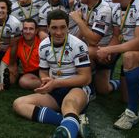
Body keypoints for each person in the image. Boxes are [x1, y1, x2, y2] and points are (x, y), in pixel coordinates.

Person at [13, 9, 91, 138]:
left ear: (68, 27)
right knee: (19, 104)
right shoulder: (44, 45)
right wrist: (45, 81)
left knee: (68, 104)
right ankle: (72, 121)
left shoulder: (78, 45)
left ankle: (68, 124)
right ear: (48, 28)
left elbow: (86, 78)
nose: (59, 32)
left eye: (62, 27)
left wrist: (56, 83)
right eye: (54, 28)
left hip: (76, 88)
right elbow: (43, 71)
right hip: (55, 89)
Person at [96, 0, 139, 130]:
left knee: (128, 57)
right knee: (125, 97)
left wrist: (110, 49)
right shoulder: (115, 8)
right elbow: (116, 35)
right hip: (129, 50)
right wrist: (110, 52)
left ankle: (132, 113)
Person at [69, 0, 113, 98]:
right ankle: (90, 83)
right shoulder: (86, 3)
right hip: (91, 47)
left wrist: (78, 20)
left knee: (84, 53)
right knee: (102, 89)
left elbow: (94, 40)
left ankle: (88, 87)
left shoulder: (104, 10)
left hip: (103, 50)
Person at [0, 18, 42, 91]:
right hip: (27, 73)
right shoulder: (17, 42)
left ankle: (49, 85)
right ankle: (45, 84)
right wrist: (2, 83)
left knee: (23, 82)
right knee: (9, 80)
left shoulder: (42, 43)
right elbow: (4, 63)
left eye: (31, 29)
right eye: (25, 28)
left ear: (36, 31)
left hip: (42, 71)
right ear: (22, 30)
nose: (27, 31)